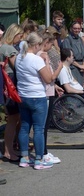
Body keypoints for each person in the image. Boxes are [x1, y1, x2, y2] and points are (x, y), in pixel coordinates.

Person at [16, 32, 55, 170]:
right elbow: (49, 79)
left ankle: (24, 157)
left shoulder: (19, 57)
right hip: (37, 96)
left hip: (23, 95)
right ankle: (39, 159)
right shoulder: (36, 59)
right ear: (36, 45)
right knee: (39, 129)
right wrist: (52, 65)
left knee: (25, 127)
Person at [37, 31, 63, 164]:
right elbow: (49, 77)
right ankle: (43, 152)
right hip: (45, 93)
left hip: (49, 90)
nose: (52, 47)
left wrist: (55, 86)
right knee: (43, 126)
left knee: (43, 125)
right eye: (51, 45)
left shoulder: (41, 55)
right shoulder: (42, 56)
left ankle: (43, 151)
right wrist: (59, 67)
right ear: (45, 43)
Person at [0, 23, 24, 162]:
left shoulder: (2, 46)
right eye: (20, 36)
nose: (20, 39)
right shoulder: (9, 48)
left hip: (6, 86)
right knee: (13, 119)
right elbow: (18, 67)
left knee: (12, 118)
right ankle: (8, 150)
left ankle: (10, 148)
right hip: (11, 85)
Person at [61, 22, 84, 86]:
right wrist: (79, 66)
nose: (77, 30)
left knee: (80, 86)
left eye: (79, 28)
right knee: (75, 86)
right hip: (73, 67)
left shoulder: (80, 39)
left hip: (81, 67)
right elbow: (68, 57)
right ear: (71, 29)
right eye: (75, 28)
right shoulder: (67, 40)